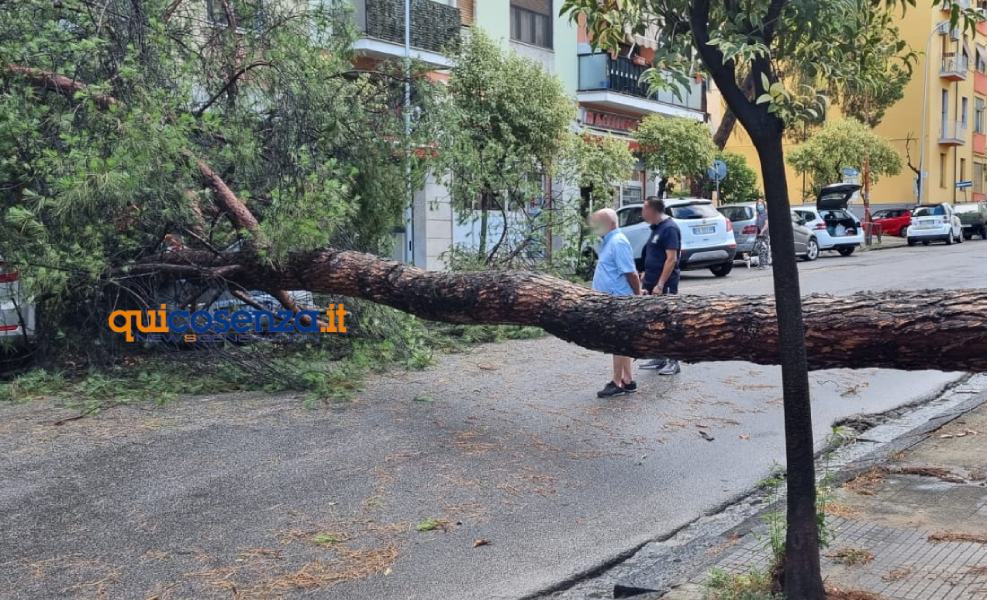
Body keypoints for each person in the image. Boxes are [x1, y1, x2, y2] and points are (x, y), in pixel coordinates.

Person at [589, 208, 642, 398]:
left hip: (618, 300)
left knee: (616, 342)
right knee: (621, 341)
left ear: (610, 224)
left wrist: (638, 295)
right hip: (611, 299)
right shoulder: (609, 242)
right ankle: (628, 380)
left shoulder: (618, 242)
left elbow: (630, 272)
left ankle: (617, 382)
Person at [637, 197, 682, 376]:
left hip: (665, 285)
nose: (641, 213)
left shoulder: (669, 228)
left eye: (643, 209)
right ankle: (660, 357)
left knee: (668, 321)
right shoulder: (656, 228)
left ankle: (673, 360)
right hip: (651, 282)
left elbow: (671, 259)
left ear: (652, 210)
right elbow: (655, 254)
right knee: (655, 322)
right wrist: (646, 272)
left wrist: (661, 283)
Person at [754, 198, 771, 268]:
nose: (759, 206)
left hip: (764, 234)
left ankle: (765, 264)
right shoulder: (758, 215)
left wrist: (762, 231)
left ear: (764, 205)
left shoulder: (765, 213)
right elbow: (757, 225)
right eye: (758, 204)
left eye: (761, 204)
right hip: (759, 235)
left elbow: (766, 224)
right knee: (759, 249)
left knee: (764, 249)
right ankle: (761, 264)